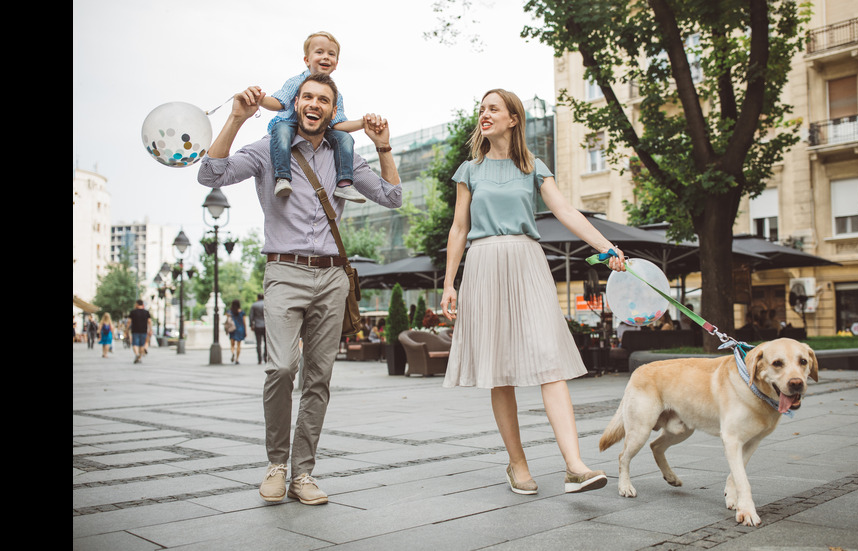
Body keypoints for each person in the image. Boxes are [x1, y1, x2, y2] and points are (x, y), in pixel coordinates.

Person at [198, 72, 401, 506]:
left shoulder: (344, 155)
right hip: (284, 270)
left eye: (323, 100)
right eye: (307, 97)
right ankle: (276, 464)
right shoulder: (271, 150)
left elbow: (392, 197)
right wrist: (235, 119)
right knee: (282, 368)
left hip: (331, 277)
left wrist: (383, 145)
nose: (314, 104)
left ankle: (303, 472)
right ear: (295, 104)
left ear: (332, 110)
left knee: (318, 378)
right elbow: (211, 174)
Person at [440, 89, 626, 496]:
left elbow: (565, 211)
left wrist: (606, 248)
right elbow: (458, 228)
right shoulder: (469, 170)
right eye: (481, 108)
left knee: (549, 361)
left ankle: (574, 466)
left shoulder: (533, 167)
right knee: (498, 369)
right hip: (484, 263)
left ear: (513, 119)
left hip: (527, 262)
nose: (484, 114)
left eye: (493, 108)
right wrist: (449, 283)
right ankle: (517, 464)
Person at [257, 31, 377, 204]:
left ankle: (344, 183)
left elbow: (338, 125)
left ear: (336, 64)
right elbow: (279, 102)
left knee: (344, 138)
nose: (326, 57)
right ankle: (282, 177)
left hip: (318, 130)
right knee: (281, 130)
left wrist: (362, 123)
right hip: (290, 124)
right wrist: (260, 99)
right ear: (307, 60)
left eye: (331, 54)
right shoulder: (296, 82)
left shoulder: (335, 94)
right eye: (319, 52)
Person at [228, 299, 247, 364]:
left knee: (232, 344)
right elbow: (244, 322)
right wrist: (245, 331)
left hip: (232, 329)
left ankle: (233, 352)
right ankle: (237, 359)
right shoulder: (242, 312)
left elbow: (228, 321)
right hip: (240, 329)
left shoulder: (229, 312)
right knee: (239, 345)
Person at [250, 293, 268, 364]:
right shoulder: (266, 304)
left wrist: (251, 324)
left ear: (257, 298)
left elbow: (251, 316)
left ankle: (259, 359)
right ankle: (265, 356)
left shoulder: (254, 305)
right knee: (266, 342)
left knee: (258, 343)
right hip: (265, 326)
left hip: (257, 326)